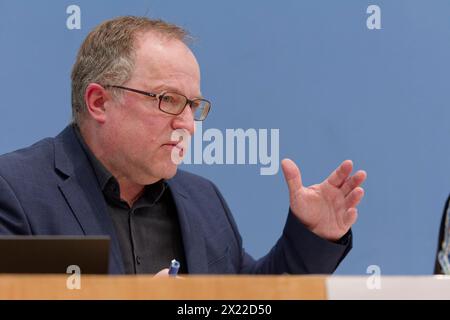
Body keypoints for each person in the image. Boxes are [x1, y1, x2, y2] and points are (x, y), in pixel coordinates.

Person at [0, 16, 367, 275]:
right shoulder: (16, 191)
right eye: (168, 100)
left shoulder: (203, 200)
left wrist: (312, 235)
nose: (187, 124)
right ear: (99, 102)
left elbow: (248, 301)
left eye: (193, 106)